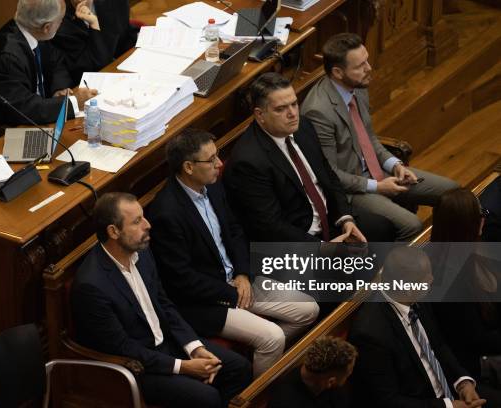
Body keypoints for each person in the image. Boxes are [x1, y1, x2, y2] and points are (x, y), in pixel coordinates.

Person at [148, 129, 319, 377]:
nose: (219, 164)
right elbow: (181, 279)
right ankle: (256, 397)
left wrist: (242, 274)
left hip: (238, 281)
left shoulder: (214, 187)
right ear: (188, 167)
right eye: (211, 159)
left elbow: (235, 230)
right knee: (272, 337)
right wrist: (231, 292)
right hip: (205, 301)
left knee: (308, 310)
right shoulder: (166, 212)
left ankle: (263, 359)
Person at [71, 192, 252, 408]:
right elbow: (122, 347)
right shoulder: (91, 285)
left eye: (143, 217)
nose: (147, 225)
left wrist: (195, 348)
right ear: (114, 231)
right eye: (137, 221)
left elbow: (164, 304)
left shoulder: (143, 254)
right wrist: (183, 367)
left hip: (169, 343)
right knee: (207, 397)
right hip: (138, 366)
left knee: (238, 368)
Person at [301, 33, 458, 241]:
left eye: (367, 60)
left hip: (379, 172)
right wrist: (377, 186)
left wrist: (394, 165)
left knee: (453, 195)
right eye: (360, 65)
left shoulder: (357, 86)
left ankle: (445, 255)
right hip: (354, 189)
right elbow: (331, 175)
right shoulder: (318, 111)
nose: (369, 68)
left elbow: (369, 138)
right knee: (412, 226)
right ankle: (395, 270)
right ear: (338, 72)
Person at [223, 72, 395, 244]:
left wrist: (345, 218)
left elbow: (329, 176)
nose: (292, 114)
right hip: (299, 241)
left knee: (383, 228)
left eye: (294, 104)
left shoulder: (303, 127)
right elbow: (270, 227)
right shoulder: (248, 162)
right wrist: (322, 248)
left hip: (331, 221)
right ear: (260, 115)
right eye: (281, 109)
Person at [349, 246, 488, 408]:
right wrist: (448, 406)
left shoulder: (417, 297)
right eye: (424, 279)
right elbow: (388, 400)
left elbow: (439, 345)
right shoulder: (370, 333)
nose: (431, 280)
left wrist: (463, 382)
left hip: (449, 391)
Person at [0, 0, 97, 149]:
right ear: (47, 27)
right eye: (60, 21)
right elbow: (27, 109)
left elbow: (56, 59)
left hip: (36, 117)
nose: (61, 24)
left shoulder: (31, 29)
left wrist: (58, 89)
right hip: (0, 136)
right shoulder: (8, 59)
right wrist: (73, 102)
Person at [431, 188, 501, 387]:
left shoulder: (479, 247)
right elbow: (476, 339)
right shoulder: (446, 280)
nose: (484, 219)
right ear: (466, 224)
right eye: (481, 215)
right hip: (478, 363)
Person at [52, 0, 138, 85]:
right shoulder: (60, 21)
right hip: (93, 81)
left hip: (124, 68)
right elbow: (93, 66)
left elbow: (125, 33)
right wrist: (94, 24)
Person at [269, 336, 357, 408]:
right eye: (347, 375)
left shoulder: (324, 381)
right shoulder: (283, 402)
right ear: (331, 382)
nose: (347, 378)